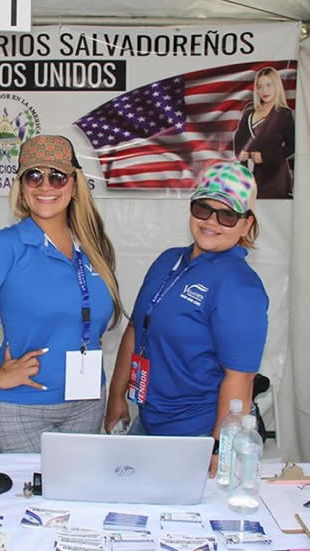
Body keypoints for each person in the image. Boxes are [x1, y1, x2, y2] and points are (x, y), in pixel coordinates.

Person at [0, 134, 123, 453]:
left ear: (75, 183)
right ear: (22, 187)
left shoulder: (93, 245)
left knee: (76, 498)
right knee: (26, 502)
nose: (45, 185)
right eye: (33, 175)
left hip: (87, 402)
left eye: (57, 175)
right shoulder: (9, 244)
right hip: (23, 408)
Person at [104, 161, 268, 475]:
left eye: (227, 215)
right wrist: (116, 396)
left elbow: (240, 378)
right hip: (147, 423)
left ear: (246, 225)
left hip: (197, 437)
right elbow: (137, 328)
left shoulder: (240, 285)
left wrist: (220, 449)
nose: (212, 221)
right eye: (203, 208)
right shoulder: (169, 260)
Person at [234, 66, 295, 199]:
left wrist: (265, 157)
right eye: (260, 86)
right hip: (248, 179)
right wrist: (240, 153)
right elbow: (239, 139)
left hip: (275, 181)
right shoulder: (249, 110)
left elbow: (292, 147)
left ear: (277, 86)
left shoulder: (284, 114)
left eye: (268, 85)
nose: (264, 90)